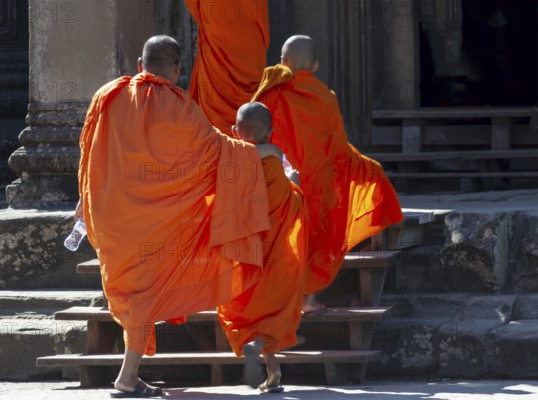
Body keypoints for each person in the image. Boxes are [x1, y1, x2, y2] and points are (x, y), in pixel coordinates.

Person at [77, 35, 274, 398]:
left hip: (113, 218)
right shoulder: (182, 108)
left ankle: (129, 376)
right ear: (178, 69)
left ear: (140, 63)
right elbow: (218, 153)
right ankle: (126, 377)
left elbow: (88, 154)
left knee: (135, 294)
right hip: (158, 224)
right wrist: (259, 151)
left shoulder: (108, 96)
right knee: (144, 292)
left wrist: (83, 205)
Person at [252, 35, 404, 314]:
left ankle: (273, 299)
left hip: (279, 181)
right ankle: (307, 299)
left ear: (282, 63)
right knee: (320, 231)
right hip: (317, 184)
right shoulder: (325, 97)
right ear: (317, 64)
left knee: (282, 236)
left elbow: (255, 134)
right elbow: (336, 149)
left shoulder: (271, 93)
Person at [217, 102, 306, 393]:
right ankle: (270, 361)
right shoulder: (275, 166)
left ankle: (267, 358)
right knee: (274, 306)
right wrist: (293, 183)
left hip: (243, 256)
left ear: (234, 131)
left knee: (246, 305)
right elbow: (293, 206)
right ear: (271, 131)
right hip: (276, 257)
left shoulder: (229, 165)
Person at [186, 0, 270, 136]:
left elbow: (195, 7)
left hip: (217, 25)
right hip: (251, 45)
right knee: (254, 121)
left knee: (216, 140)